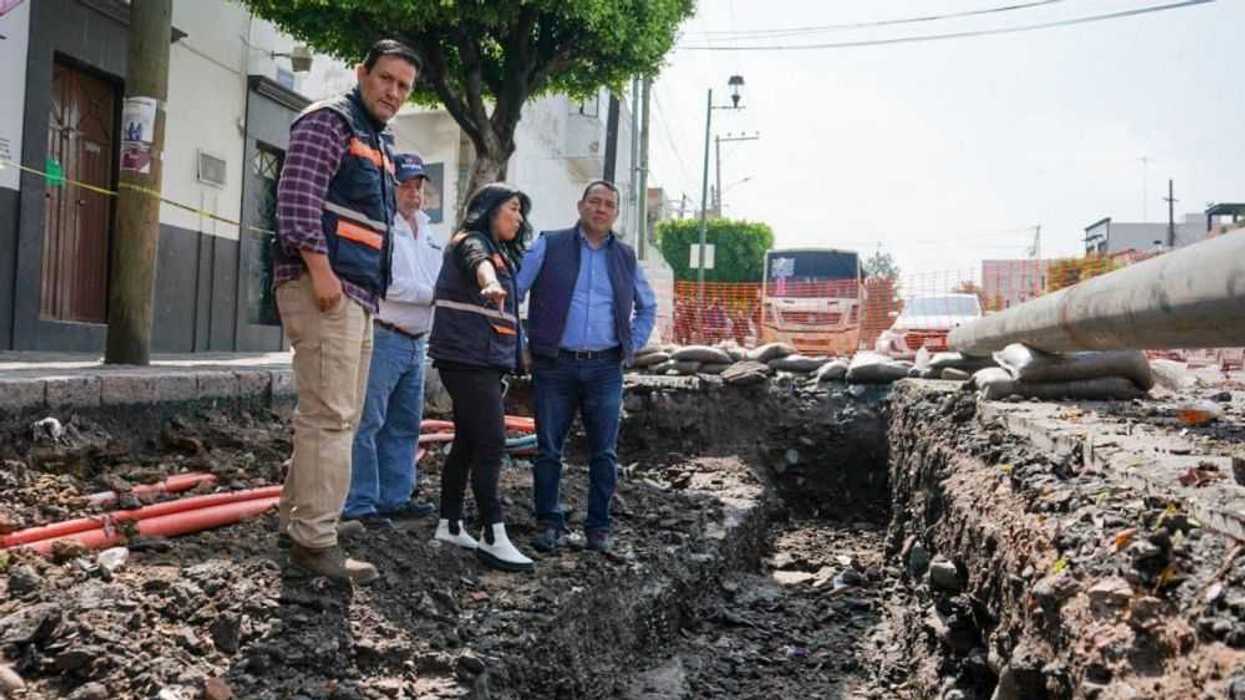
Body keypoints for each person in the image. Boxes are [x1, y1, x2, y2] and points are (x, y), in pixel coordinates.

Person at [271, 39, 419, 584]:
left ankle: (306, 520)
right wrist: (320, 270)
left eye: (404, 86)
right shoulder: (329, 121)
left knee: (337, 417)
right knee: (330, 417)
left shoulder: (375, 139)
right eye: (385, 79)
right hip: (326, 289)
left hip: (355, 295)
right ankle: (314, 540)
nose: (394, 92)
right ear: (361, 73)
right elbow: (296, 199)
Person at [517, 180, 658, 554]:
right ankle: (548, 523)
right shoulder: (550, 244)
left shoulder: (626, 257)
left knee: (604, 453)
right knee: (548, 449)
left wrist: (631, 347)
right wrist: (521, 344)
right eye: (594, 201)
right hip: (554, 365)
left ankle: (599, 528)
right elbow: (512, 294)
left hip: (605, 368)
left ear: (615, 213)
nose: (601, 208)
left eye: (609, 204)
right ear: (580, 206)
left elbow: (648, 307)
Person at [428, 183, 534, 572]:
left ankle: (451, 523)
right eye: (512, 208)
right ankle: (493, 534)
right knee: (492, 440)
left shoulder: (501, 252)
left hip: (481, 359)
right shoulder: (471, 242)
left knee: (469, 442)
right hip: (467, 358)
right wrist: (488, 281)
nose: (518, 218)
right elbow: (478, 262)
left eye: (521, 211)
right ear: (489, 209)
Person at [342, 153, 441, 529]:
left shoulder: (428, 232)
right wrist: (432, 294)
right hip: (385, 336)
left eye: (418, 186)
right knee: (368, 421)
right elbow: (386, 283)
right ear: (390, 186)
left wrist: (434, 293)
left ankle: (394, 498)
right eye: (406, 185)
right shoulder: (380, 228)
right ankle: (360, 502)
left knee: (405, 424)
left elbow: (439, 280)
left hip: (417, 342)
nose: (414, 193)